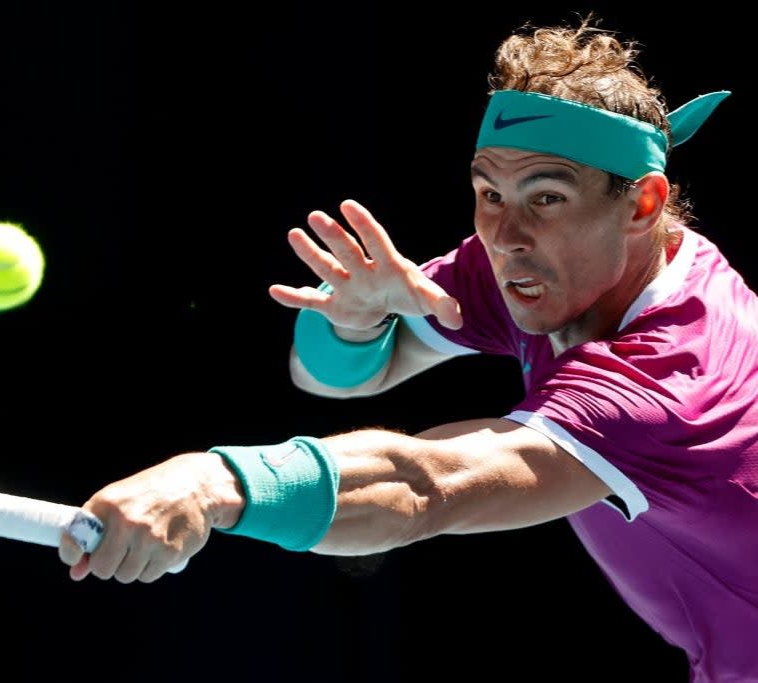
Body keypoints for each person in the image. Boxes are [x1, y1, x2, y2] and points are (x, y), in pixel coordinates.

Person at [59, 14, 756, 682]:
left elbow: (424, 485)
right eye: (488, 191)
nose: (504, 232)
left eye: (545, 198)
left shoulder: (673, 376)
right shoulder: (547, 267)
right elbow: (334, 377)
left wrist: (213, 484)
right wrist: (357, 323)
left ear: (639, 204)